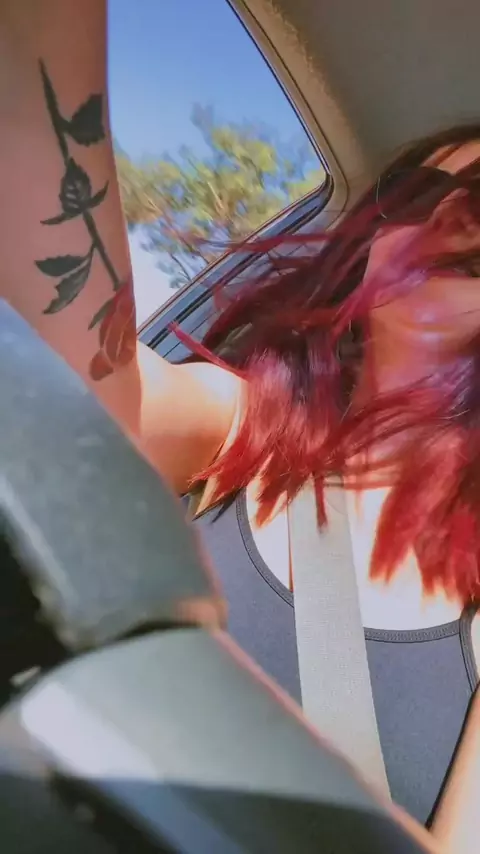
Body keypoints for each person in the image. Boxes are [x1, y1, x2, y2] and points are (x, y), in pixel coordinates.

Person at [1, 2, 480, 851]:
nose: (441, 220)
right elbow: (93, 399)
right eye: (420, 194)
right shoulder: (246, 423)